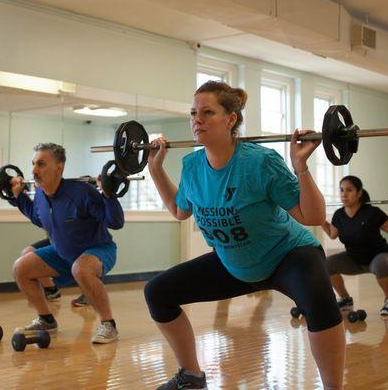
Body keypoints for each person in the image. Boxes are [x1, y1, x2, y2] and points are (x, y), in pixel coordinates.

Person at [143, 81, 345, 389]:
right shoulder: (193, 166)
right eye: (194, 112)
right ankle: (192, 376)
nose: (197, 120)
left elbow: (312, 217)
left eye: (208, 112)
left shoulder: (260, 162)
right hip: (234, 262)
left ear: (231, 119)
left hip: (287, 255)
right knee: (158, 292)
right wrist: (155, 169)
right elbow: (179, 210)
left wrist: (300, 165)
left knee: (320, 302)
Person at [10, 143, 124, 344]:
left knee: (81, 268)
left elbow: (115, 222)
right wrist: (20, 198)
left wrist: (109, 194)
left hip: (98, 249)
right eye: (33, 164)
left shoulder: (82, 192)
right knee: (20, 268)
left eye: (41, 164)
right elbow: (39, 218)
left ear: (59, 168)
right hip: (63, 253)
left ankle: (108, 325)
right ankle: (46, 320)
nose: (34, 170)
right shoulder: (40, 194)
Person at [321, 176, 388, 316]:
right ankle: (346, 299)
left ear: (359, 193)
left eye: (349, 190)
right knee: (327, 264)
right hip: (355, 260)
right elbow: (332, 233)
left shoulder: (372, 213)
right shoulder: (339, 215)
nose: (344, 194)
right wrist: (317, 217)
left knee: (380, 264)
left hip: (380, 257)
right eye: (341, 190)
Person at [27, 237, 90, 307]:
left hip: (73, 236)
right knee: (27, 252)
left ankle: (88, 293)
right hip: (55, 237)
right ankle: (52, 291)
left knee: (74, 256)